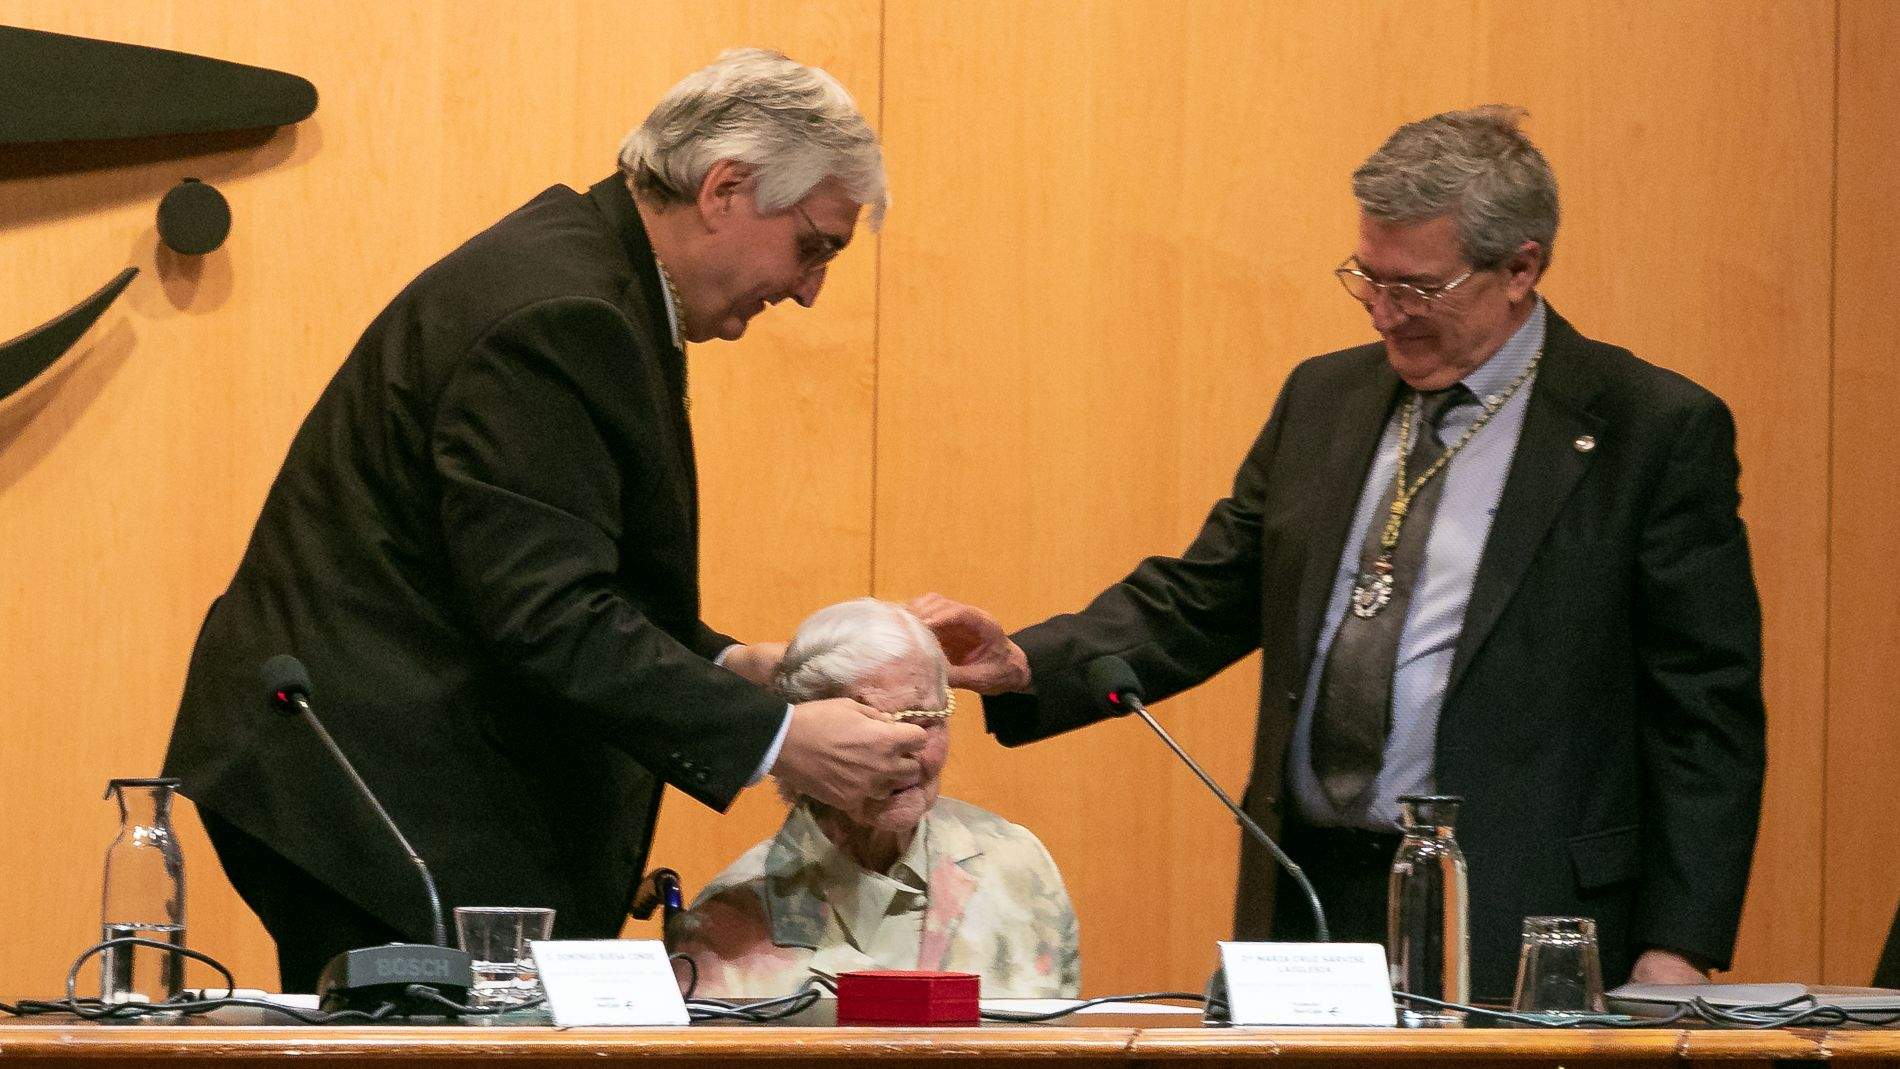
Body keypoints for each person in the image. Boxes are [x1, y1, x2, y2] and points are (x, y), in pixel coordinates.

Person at [915, 106, 1766, 1002]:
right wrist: (1025, 663)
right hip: (1311, 899)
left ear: (1521, 267)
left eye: (1419, 289)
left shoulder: (1648, 429)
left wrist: (1679, 947)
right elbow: (1209, 593)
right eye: (1369, 278)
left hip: (1526, 910)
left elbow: (1704, 711)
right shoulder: (1324, 397)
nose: (1386, 313)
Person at [161, 49, 928, 992]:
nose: (811, 288)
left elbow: (550, 576)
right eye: (814, 244)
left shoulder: (591, 276)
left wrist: (730, 664)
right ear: (727, 187)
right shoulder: (563, 310)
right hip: (377, 795)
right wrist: (778, 734)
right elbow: (547, 615)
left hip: (390, 774)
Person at [667, 598, 1080, 998]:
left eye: (923, 721)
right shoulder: (730, 921)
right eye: (868, 728)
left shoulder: (1019, 867)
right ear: (805, 744)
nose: (902, 751)